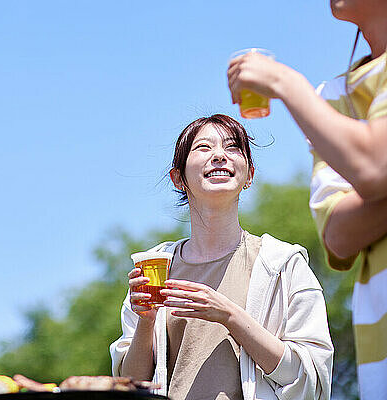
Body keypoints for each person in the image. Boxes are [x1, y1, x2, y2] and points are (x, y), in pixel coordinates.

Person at [110, 114, 333, 400]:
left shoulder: (283, 264)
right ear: (178, 178)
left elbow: (310, 378)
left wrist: (229, 315)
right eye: (203, 147)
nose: (219, 156)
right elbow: (130, 385)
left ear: (249, 175)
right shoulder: (154, 268)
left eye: (232, 147)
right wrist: (146, 321)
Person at [227, 1, 387, 398]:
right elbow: (338, 233)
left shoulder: (311, 101)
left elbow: (374, 167)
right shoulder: (331, 97)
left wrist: (284, 84)